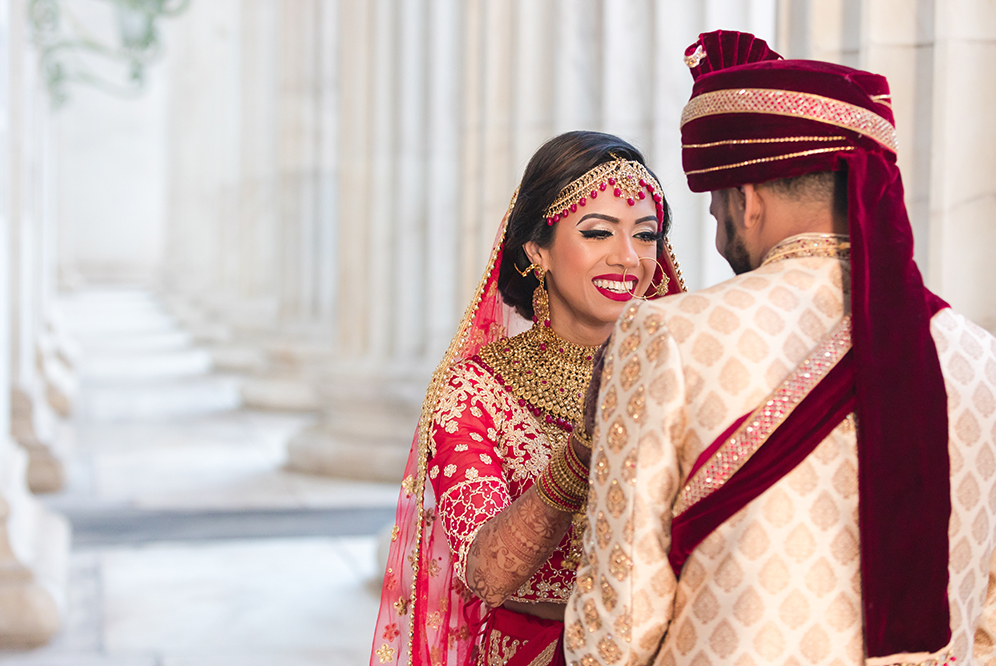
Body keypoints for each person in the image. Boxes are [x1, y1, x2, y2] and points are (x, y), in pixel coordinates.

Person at [565, 30, 996, 666]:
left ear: (747, 198)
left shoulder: (666, 334)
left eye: (714, 208)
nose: (716, 232)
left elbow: (620, 619)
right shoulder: (979, 359)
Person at [369, 131, 685, 666]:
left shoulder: (682, 366)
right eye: (597, 232)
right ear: (537, 250)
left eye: (646, 234)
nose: (628, 258)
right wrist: (584, 449)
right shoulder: (476, 390)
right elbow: (488, 575)